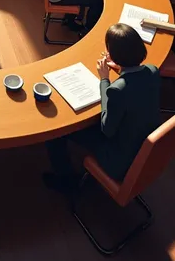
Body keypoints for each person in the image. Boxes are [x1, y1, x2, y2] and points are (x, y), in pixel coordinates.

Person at [44, 23, 160, 191]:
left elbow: (107, 129)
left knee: (56, 132)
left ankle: (66, 181)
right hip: (143, 149)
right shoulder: (153, 71)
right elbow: (135, 84)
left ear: (114, 55)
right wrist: (121, 68)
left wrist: (104, 79)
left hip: (118, 160)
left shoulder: (117, 90)